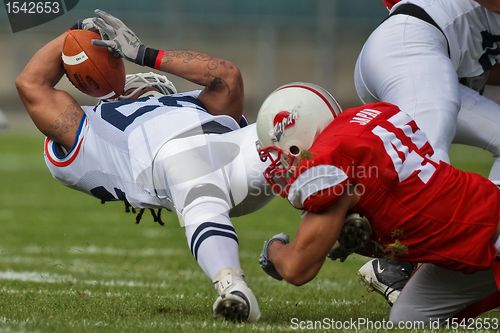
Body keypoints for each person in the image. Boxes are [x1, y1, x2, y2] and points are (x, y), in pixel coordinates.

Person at [16, 9, 274, 322]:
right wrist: (76, 34)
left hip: (237, 153)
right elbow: (31, 83)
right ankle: (232, 287)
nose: (147, 86)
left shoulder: (198, 102)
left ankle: (339, 219)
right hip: (171, 162)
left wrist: (142, 53)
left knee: (294, 112)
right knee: (190, 173)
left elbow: (227, 75)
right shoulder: (88, 125)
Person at [255, 82, 500, 323]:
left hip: (490, 228)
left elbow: (298, 269)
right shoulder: (365, 120)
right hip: (476, 224)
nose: (282, 167)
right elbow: (398, 210)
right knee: (410, 317)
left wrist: (274, 249)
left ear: (293, 138)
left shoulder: (326, 166)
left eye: (279, 156)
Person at [354, 0, 500, 305]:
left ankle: (491, 240)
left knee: (431, 162)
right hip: (410, 46)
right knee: (431, 165)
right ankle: (393, 259)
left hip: (427, 60)